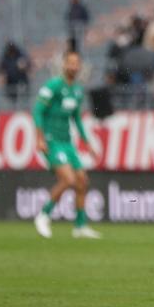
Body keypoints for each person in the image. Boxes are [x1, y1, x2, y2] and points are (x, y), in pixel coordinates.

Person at [32, 51, 101, 239]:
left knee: (82, 181)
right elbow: (37, 111)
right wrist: (39, 138)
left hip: (67, 143)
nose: (73, 66)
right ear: (64, 65)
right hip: (51, 141)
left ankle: (80, 226)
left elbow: (76, 118)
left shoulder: (77, 90)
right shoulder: (53, 86)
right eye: (70, 63)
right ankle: (44, 215)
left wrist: (87, 143)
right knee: (68, 180)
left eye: (76, 63)